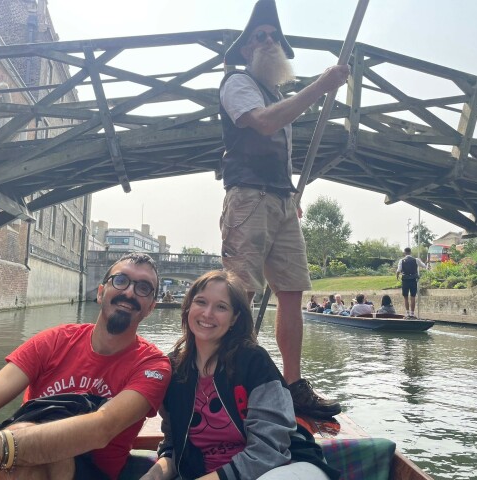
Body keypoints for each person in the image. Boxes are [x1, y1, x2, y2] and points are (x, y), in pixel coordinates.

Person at [0, 253, 171, 480]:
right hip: (15, 452)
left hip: (85, 470)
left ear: (151, 307)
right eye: (121, 280)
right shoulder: (56, 340)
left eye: (143, 288)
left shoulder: (153, 365)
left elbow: (102, 428)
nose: (129, 292)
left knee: (17, 443)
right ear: (101, 292)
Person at [218, 0, 349, 420]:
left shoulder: (278, 93)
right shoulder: (236, 83)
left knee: (292, 291)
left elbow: (281, 151)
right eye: (261, 36)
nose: (270, 41)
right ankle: (232, 381)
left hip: (280, 199)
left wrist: (291, 196)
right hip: (248, 198)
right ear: (245, 49)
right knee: (241, 292)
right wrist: (319, 87)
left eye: (274, 37)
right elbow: (264, 123)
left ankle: (292, 385)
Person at [140, 270, 339, 480]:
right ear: (188, 307)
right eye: (201, 302)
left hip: (284, 466)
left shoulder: (253, 362)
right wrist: (153, 475)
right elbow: (174, 444)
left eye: (221, 307)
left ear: (235, 318)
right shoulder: (175, 369)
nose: (208, 313)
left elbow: (270, 449)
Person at [396, 247, 428, 319]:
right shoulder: (415, 260)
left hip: (405, 280)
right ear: (410, 252)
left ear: (404, 253)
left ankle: (407, 313)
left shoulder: (401, 260)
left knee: (405, 297)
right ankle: (412, 314)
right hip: (413, 280)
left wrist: (397, 277)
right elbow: (424, 266)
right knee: (413, 297)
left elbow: (398, 270)